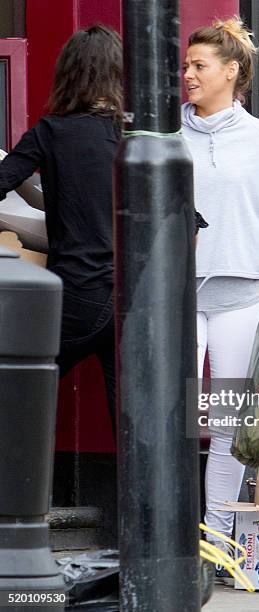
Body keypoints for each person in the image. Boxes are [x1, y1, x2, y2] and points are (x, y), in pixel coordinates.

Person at [181, 16, 259, 572]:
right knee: (171, 416)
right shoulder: (166, 137)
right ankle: (170, 536)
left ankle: (216, 543)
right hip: (177, 299)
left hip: (242, 301)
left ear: (231, 73)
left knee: (229, 427)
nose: (187, 75)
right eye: (185, 65)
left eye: (199, 66)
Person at [0, 24, 123, 434]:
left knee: (14, 383)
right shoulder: (133, 138)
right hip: (132, 299)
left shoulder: (51, 133)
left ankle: (18, 491)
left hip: (79, 292)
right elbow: (190, 219)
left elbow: (4, 180)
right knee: (128, 421)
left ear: (69, 72)